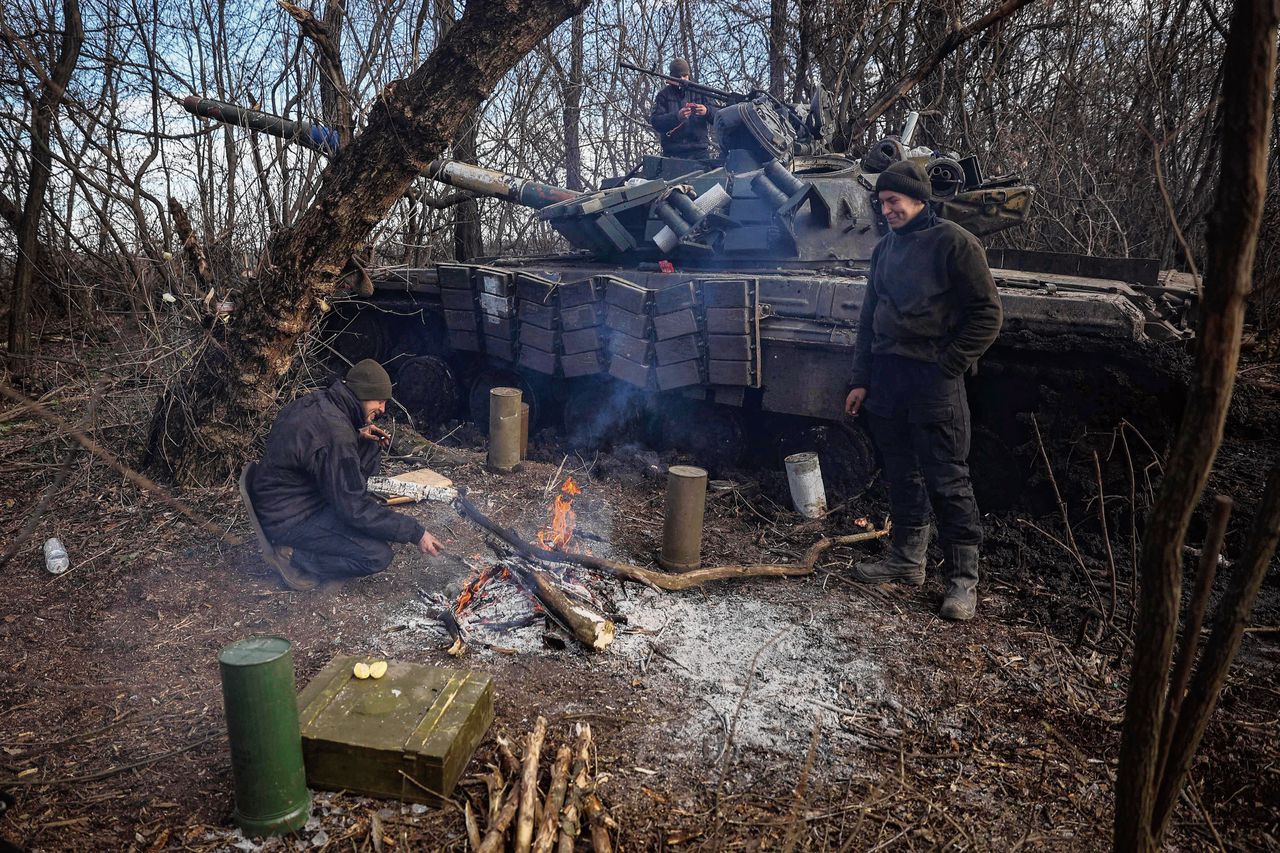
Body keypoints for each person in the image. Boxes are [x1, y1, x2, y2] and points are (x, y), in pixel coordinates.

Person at [844, 159, 1002, 621]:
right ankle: (907, 560)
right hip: (888, 379)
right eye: (882, 202)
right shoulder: (884, 249)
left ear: (919, 199)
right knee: (901, 471)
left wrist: (947, 366)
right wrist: (860, 379)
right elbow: (868, 321)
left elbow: (988, 316)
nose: (886, 209)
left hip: (933, 380)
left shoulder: (955, 243)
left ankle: (962, 582)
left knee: (947, 478)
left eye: (893, 201)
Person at [250, 359, 442, 587]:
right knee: (377, 555)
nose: (382, 409)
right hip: (291, 518)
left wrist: (356, 434)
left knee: (371, 446)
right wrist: (415, 532)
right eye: (379, 401)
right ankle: (293, 556)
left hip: (289, 498)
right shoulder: (335, 435)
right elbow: (353, 507)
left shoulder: (320, 403)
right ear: (362, 394)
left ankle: (361, 520)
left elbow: (316, 445)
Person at [648, 58, 718, 160]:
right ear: (671, 77)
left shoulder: (701, 92)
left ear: (688, 75)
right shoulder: (663, 96)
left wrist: (707, 111)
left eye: (685, 76)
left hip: (700, 152)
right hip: (673, 154)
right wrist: (676, 117)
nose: (682, 79)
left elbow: (718, 117)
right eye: (678, 77)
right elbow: (656, 122)